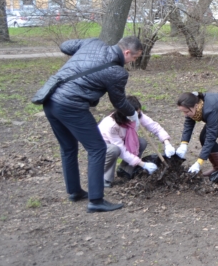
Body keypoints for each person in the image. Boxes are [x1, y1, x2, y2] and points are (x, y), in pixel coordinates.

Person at [40, 36, 143, 213]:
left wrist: (83, 53)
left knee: (68, 148)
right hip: (71, 106)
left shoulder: (93, 43)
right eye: (134, 58)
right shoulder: (118, 73)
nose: (133, 62)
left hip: (50, 100)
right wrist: (133, 114)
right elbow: (118, 102)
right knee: (97, 148)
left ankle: (74, 192)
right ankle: (96, 200)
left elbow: (65, 45)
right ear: (126, 52)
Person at [99, 95, 176, 187]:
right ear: (124, 113)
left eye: (138, 113)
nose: (137, 116)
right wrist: (143, 164)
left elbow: (154, 127)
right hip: (102, 145)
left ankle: (125, 170)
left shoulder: (137, 115)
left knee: (141, 142)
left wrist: (167, 143)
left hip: (120, 141)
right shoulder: (111, 125)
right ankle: (104, 178)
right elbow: (122, 151)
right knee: (114, 150)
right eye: (134, 114)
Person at [175, 91, 218, 175]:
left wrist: (199, 162)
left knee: (205, 137)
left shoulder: (210, 110)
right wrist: (184, 144)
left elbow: (211, 137)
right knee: (203, 138)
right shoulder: (193, 104)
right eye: (183, 112)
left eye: (186, 112)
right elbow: (188, 124)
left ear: (196, 106)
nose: (185, 115)